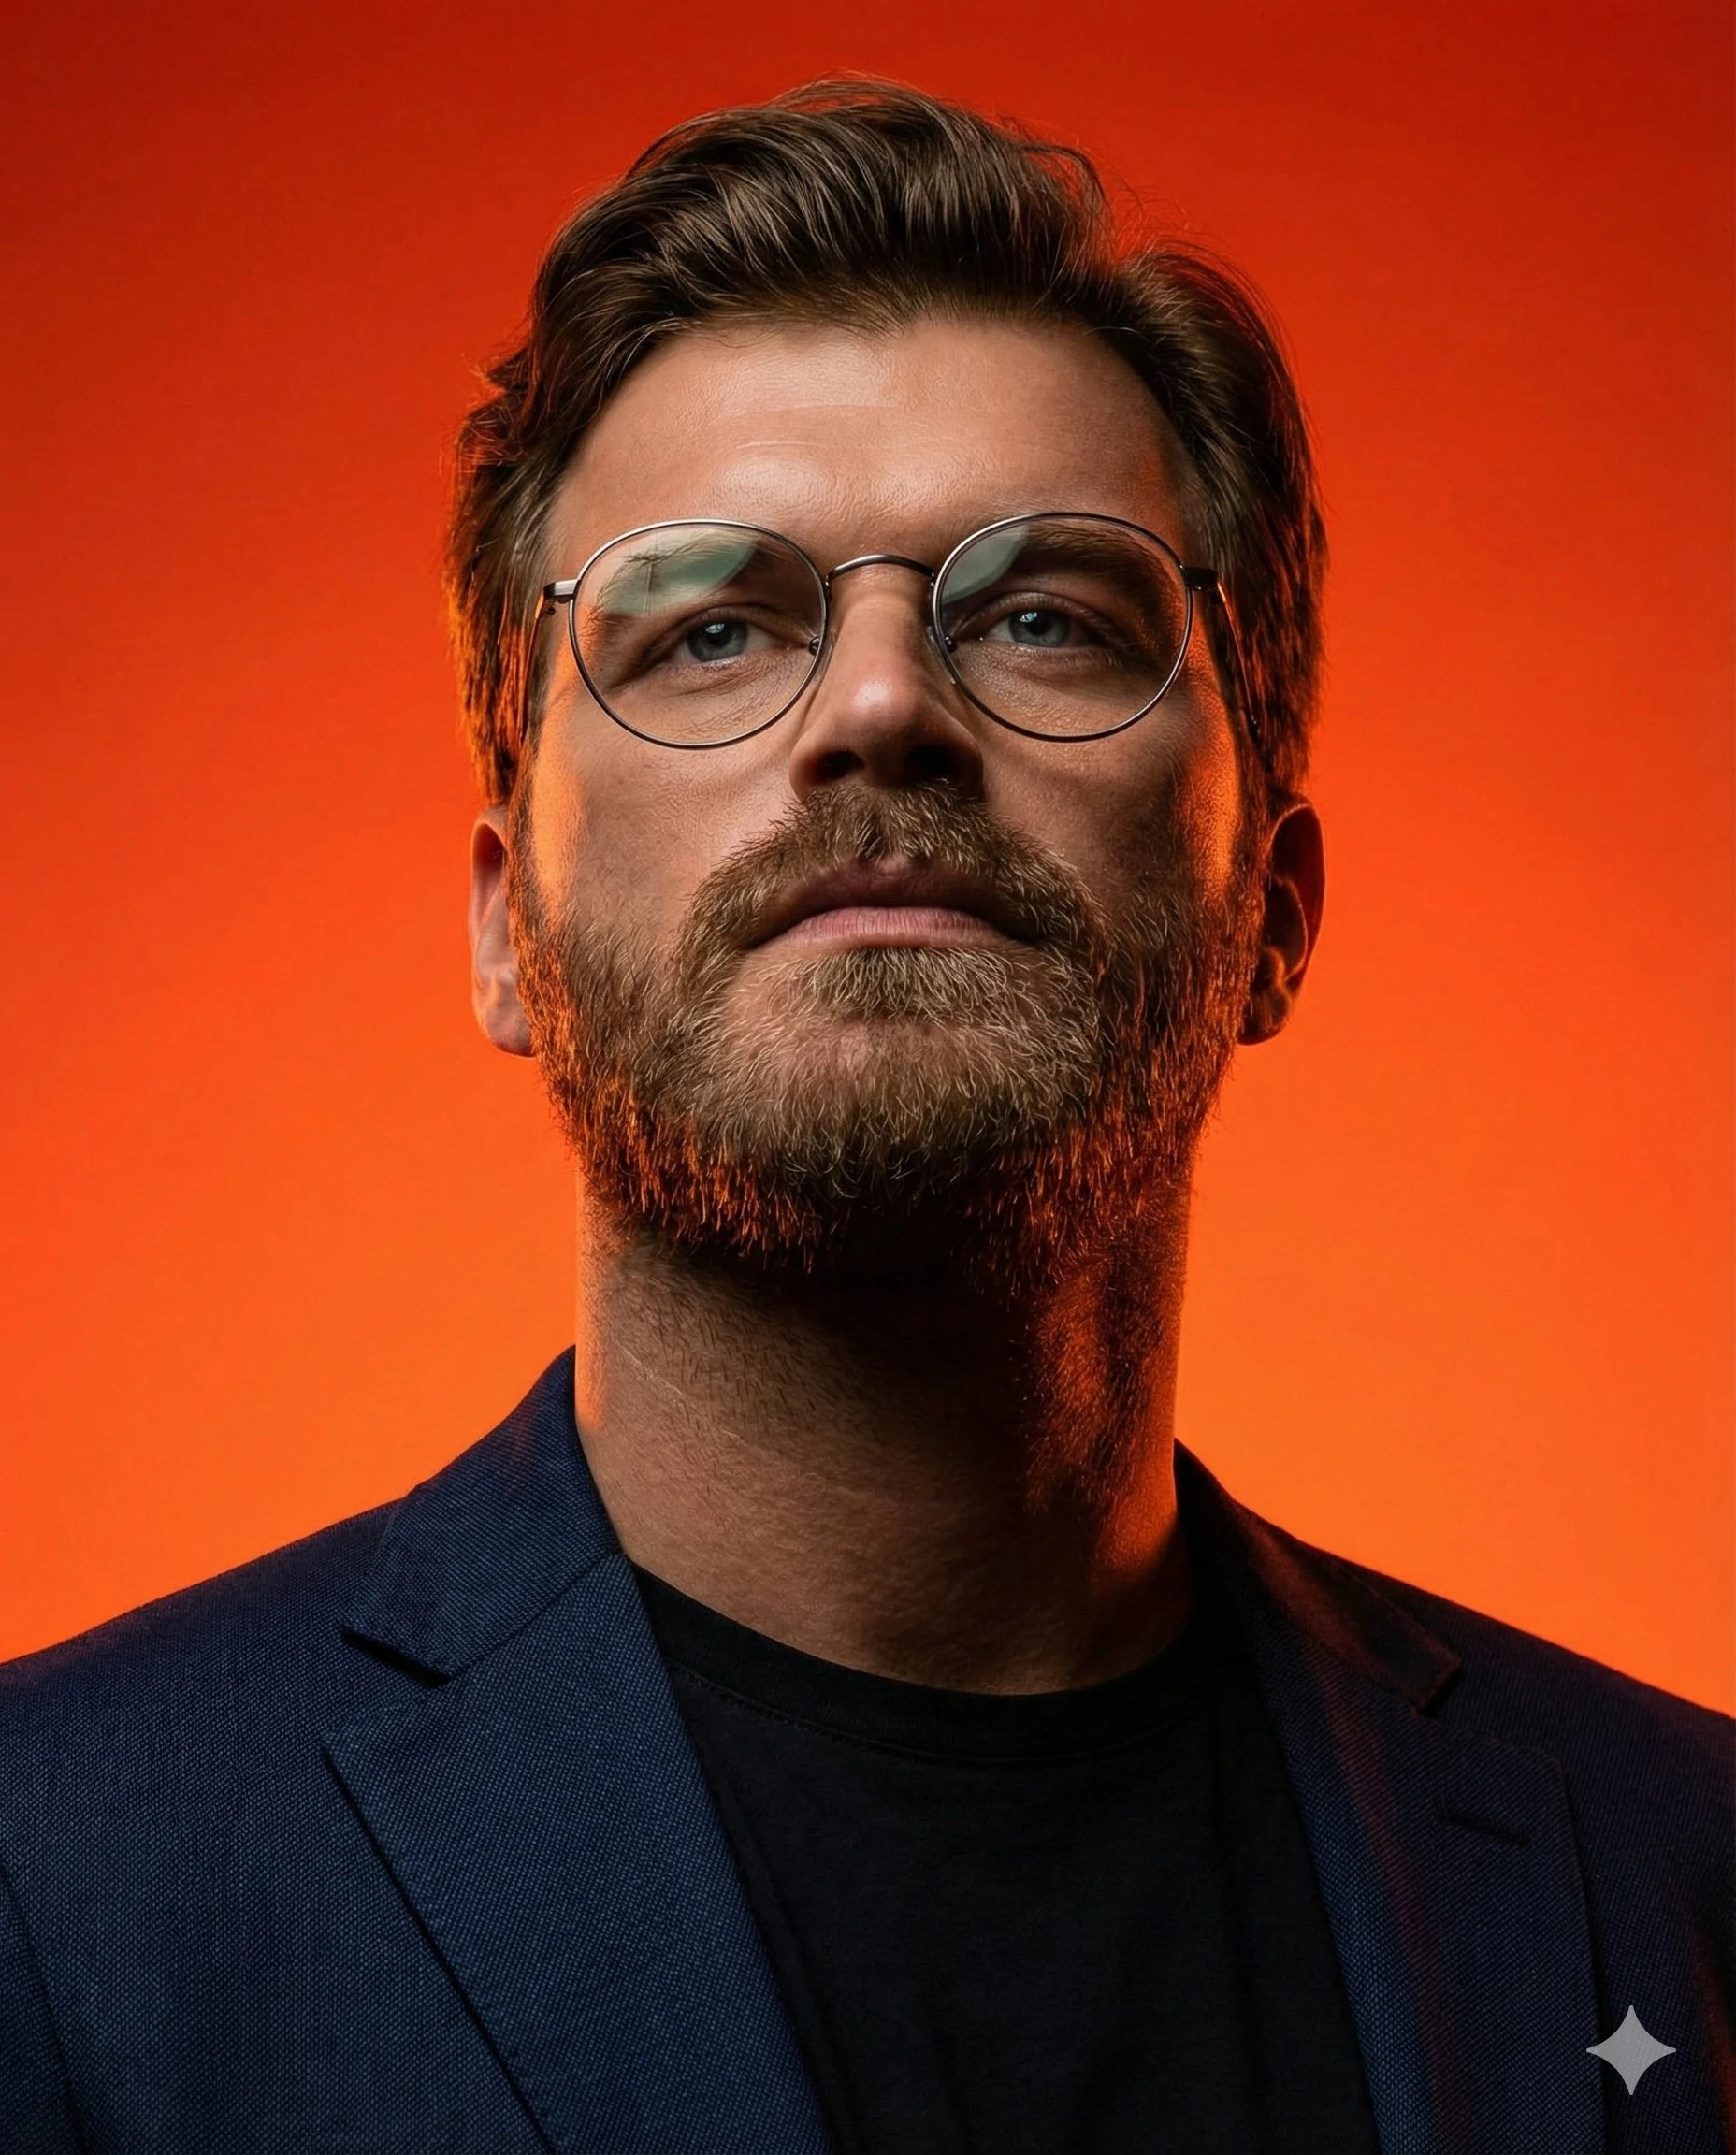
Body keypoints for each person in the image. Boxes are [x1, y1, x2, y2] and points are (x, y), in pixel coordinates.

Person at [0, 80, 1728, 2155]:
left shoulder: (1678, 1877)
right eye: (710, 626)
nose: (883, 705)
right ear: (504, 937)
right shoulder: (54, 1882)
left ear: (1271, 914)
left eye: (1043, 615)